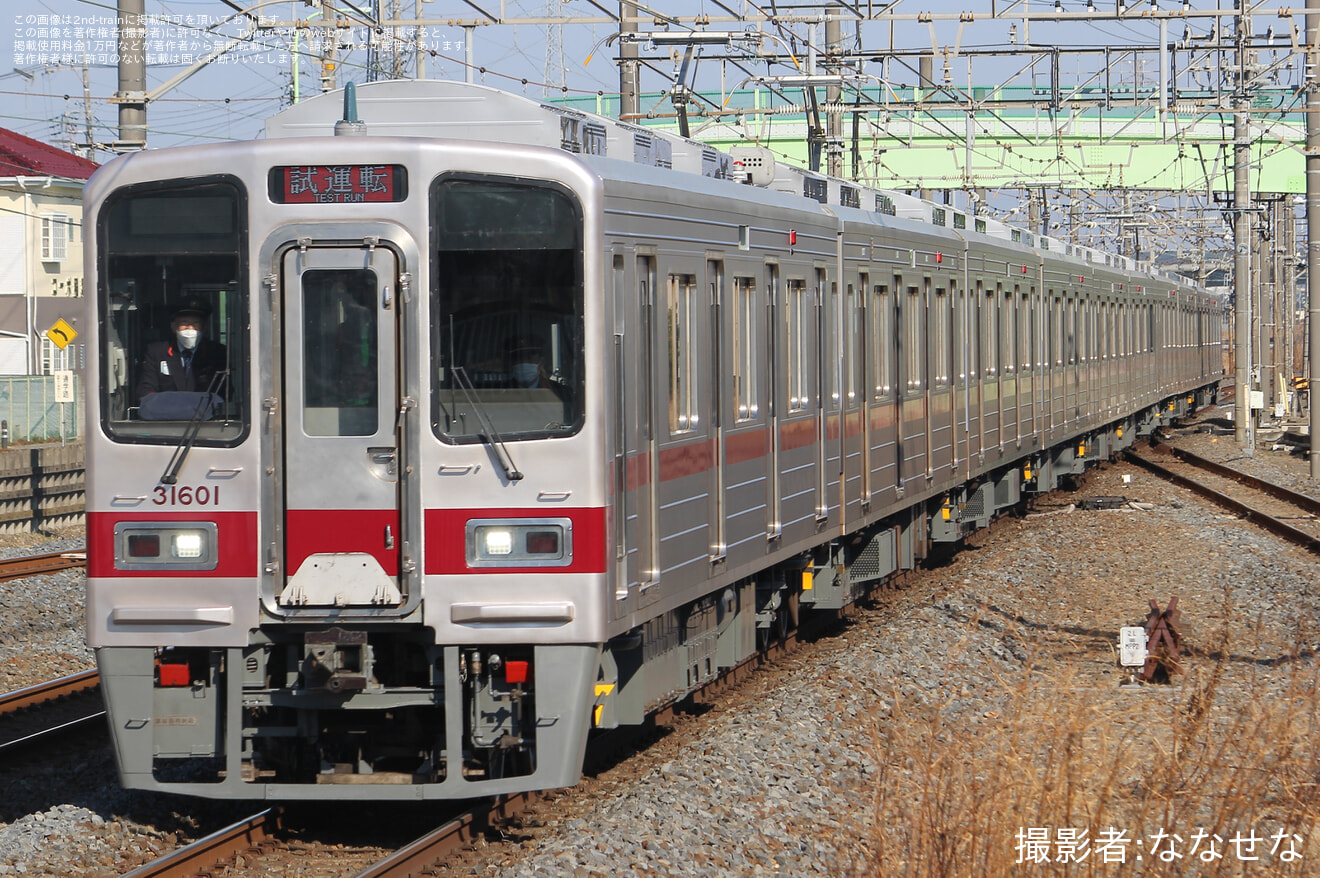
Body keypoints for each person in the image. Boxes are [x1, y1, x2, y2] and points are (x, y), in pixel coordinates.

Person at [135, 299, 229, 405]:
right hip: (166, 416)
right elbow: (145, 390)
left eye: (195, 323)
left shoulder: (216, 352)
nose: (190, 328)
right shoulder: (156, 352)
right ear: (174, 327)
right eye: (184, 323)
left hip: (204, 417)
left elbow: (224, 392)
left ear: (204, 327)